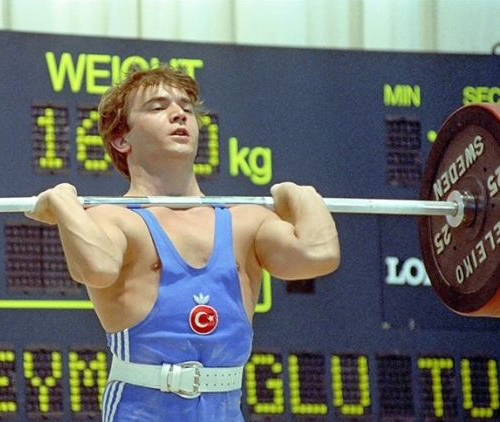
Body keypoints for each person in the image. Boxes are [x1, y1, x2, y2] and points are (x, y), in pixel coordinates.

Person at [26, 64, 340, 421]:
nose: (179, 114)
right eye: (157, 107)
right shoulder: (115, 218)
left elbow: (319, 255)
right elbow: (96, 269)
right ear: (121, 139)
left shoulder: (245, 222)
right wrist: (64, 200)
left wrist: (299, 194)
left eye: (186, 108)